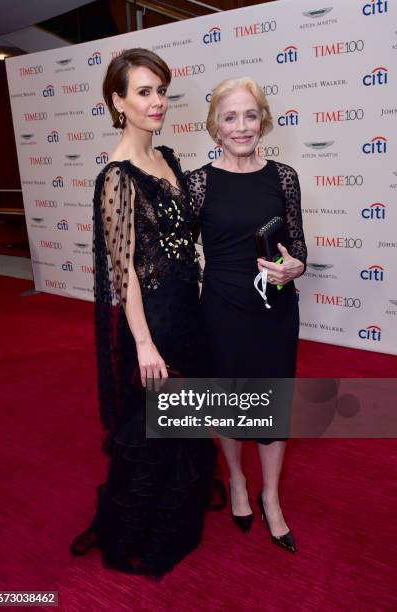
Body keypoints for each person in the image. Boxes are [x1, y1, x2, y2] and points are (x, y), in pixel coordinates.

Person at [69, 48, 218, 578]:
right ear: (118, 101)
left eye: (161, 90)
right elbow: (124, 270)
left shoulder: (168, 159)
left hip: (189, 308)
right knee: (156, 425)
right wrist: (144, 344)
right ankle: (140, 532)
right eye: (143, 92)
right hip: (155, 319)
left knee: (183, 417)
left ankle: (175, 515)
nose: (157, 102)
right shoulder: (117, 177)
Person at [187, 77, 307, 553]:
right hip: (221, 312)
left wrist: (296, 266)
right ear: (215, 125)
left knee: (273, 407)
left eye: (250, 115)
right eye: (230, 117)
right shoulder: (197, 183)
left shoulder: (284, 177)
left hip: (277, 312)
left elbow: (295, 244)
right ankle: (237, 479)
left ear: (264, 120)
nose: (242, 127)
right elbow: (177, 256)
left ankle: (270, 496)